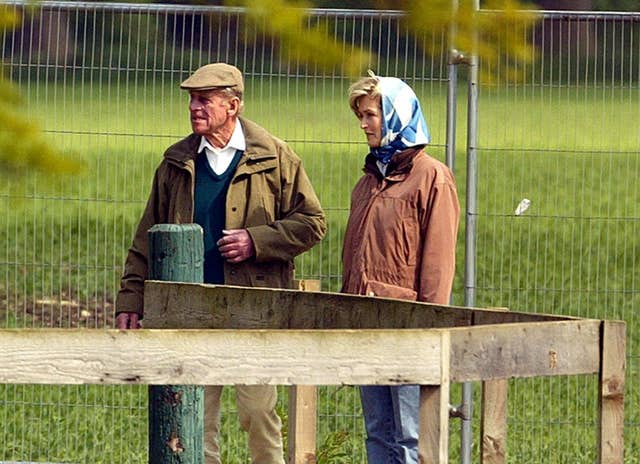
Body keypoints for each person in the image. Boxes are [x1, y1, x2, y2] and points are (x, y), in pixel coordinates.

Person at [115, 62, 326, 464]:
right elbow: (147, 237)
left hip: (254, 310)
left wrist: (257, 240)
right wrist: (131, 299)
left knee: (258, 413)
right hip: (188, 312)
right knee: (194, 419)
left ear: (233, 105)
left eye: (204, 100)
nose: (195, 107)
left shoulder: (275, 158)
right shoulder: (176, 163)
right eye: (192, 100)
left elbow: (312, 223)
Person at [341, 72, 459, 463]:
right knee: (378, 434)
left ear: (395, 114)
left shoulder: (432, 177)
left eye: (371, 114)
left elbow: (438, 264)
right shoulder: (368, 181)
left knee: (411, 437)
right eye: (361, 115)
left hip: (409, 327)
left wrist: (429, 326)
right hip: (365, 324)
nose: (363, 124)